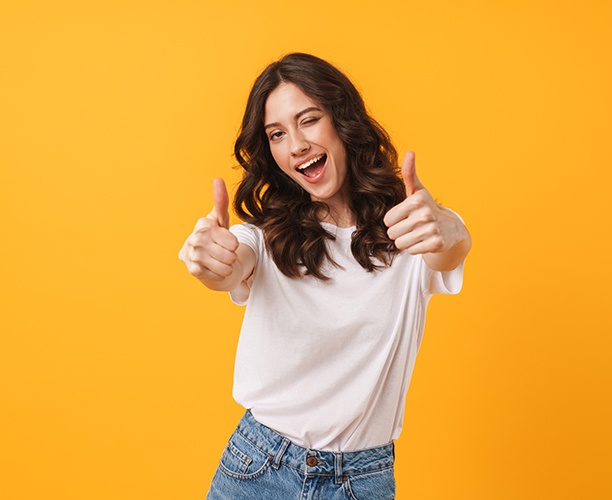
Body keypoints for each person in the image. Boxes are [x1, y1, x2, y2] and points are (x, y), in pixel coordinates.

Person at [179, 53, 471, 499]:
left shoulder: (410, 226)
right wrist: (211, 262)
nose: (295, 144)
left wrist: (453, 230)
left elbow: (447, 250)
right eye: (277, 134)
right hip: (259, 466)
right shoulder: (263, 235)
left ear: (342, 119)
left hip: (362, 478)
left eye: (309, 120)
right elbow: (233, 262)